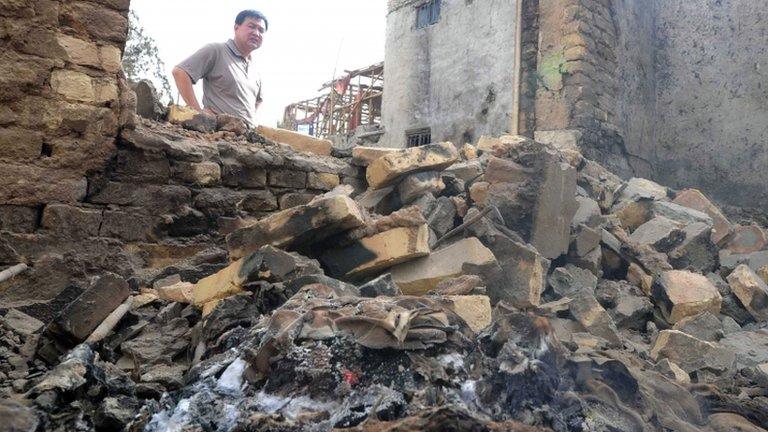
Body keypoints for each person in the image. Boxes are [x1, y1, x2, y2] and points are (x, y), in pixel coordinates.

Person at [172, 10, 267, 127]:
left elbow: (258, 100)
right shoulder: (217, 51)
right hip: (218, 137)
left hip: (245, 138)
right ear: (236, 27)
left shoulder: (255, 70)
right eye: (251, 26)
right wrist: (198, 114)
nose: (256, 33)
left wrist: (249, 121)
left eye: (261, 30)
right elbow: (180, 72)